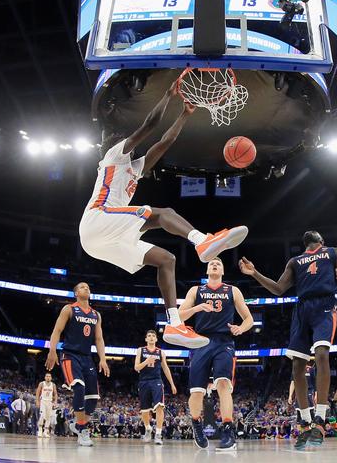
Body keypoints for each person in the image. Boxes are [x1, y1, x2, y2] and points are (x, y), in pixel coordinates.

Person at [80, 81, 249, 349]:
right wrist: (168, 95)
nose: (130, 143)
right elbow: (150, 125)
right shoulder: (112, 156)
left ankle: (173, 323)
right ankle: (201, 240)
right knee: (162, 214)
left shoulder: (134, 168)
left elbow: (165, 141)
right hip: (98, 220)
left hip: (103, 240)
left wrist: (185, 114)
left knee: (166, 259)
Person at [239, 231, 337, 450]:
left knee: (321, 354)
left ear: (322, 240)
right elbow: (279, 289)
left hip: (325, 305)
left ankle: (321, 418)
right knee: (297, 366)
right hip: (302, 309)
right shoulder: (294, 261)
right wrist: (255, 273)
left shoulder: (332, 252)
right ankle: (306, 423)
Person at [179, 257, 254, 451]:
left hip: (224, 341)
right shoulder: (195, 290)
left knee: (223, 384)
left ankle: (227, 431)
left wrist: (240, 328)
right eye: (211, 263)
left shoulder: (232, 290)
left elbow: (249, 319)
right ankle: (196, 424)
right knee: (197, 392)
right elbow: (179, 315)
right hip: (200, 341)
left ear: (222, 271)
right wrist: (197, 307)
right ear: (207, 270)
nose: (215, 264)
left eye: (219, 263)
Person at [45, 282, 111, 446]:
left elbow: (99, 339)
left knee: (94, 397)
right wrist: (52, 351)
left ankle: (79, 425)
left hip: (87, 357)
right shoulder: (69, 309)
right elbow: (57, 331)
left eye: (88, 287)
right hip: (70, 355)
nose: (86, 288)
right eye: (82, 287)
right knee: (79, 388)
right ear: (75, 293)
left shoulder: (96, 314)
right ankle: (83, 431)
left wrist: (103, 359)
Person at [134, 329, 177, 445]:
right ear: (146, 339)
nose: (151, 337)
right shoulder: (140, 350)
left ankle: (158, 433)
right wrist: (147, 361)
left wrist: (172, 384)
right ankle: (148, 429)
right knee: (145, 410)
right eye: (149, 336)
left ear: (156, 339)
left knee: (159, 406)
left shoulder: (160, 352)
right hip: (143, 381)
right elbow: (136, 367)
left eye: (153, 336)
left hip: (156, 381)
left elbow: (166, 368)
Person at [36, 373, 58, 438]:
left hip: (50, 402)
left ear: (51, 378)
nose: (48, 377)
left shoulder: (53, 385)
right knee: (42, 416)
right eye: (47, 376)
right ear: (45, 377)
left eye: (49, 376)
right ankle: (40, 430)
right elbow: (37, 393)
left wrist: (55, 401)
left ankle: (45, 431)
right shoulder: (42, 384)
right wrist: (37, 401)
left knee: (48, 417)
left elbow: (55, 394)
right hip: (43, 401)